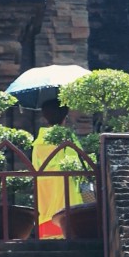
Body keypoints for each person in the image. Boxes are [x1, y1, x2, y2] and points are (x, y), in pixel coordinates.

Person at [30, 96, 89, 240]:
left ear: (44, 117)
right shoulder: (68, 138)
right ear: (65, 117)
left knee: (48, 234)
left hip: (45, 195)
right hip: (67, 194)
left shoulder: (38, 142)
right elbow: (82, 166)